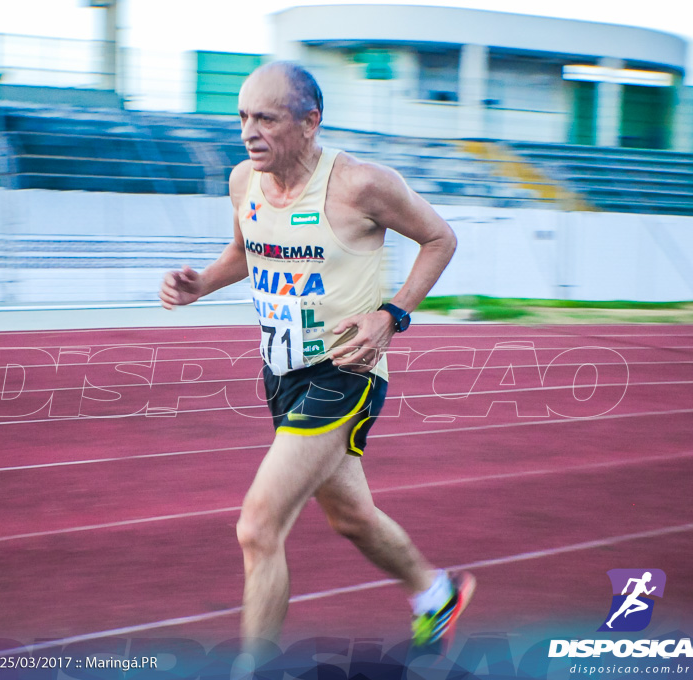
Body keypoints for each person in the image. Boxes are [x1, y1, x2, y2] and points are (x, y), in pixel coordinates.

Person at [159, 61, 471, 650]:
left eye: (266, 119)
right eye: (243, 117)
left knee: (258, 527)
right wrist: (202, 283)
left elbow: (441, 238)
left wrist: (392, 315)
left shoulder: (361, 184)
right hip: (282, 376)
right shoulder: (242, 181)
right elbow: (248, 250)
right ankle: (435, 594)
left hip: (345, 372)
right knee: (351, 517)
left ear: (310, 123)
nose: (250, 132)